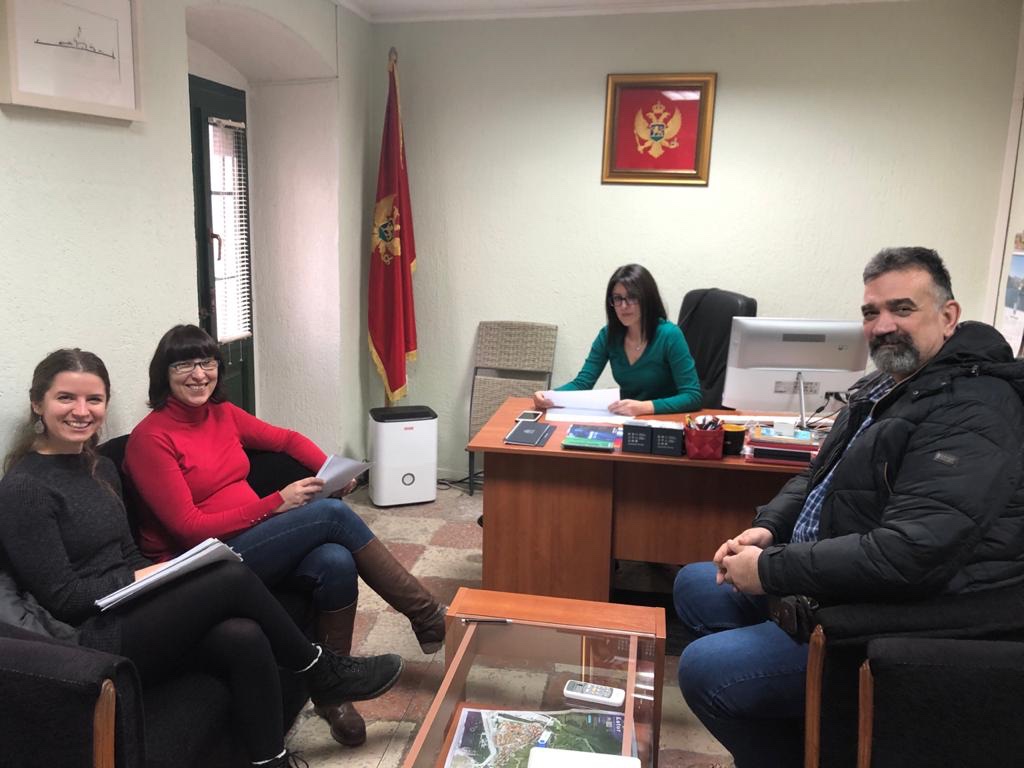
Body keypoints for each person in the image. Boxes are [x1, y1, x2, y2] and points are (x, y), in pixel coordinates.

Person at [673, 247, 1024, 768]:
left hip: (891, 613)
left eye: (902, 309)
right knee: (695, 585)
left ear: (948, 316)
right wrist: (769, 528)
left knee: (706, 670)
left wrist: (770, 570)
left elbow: (909, 553)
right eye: (870, 312)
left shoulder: (973, 407)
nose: (883, 326)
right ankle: (801, 719)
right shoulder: (886, 384)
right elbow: (818, 475)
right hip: (830, 579)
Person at [0, 349, 405, 768]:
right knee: (229, 573)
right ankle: (321, 669)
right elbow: (64, 599)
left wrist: (156, 576)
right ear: (38, 403)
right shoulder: (24, 489)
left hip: (132, 605)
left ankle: (272, 760)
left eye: (94, 400)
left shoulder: (99, 468)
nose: (82, 411)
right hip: (88, 636)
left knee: (244, 635)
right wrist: (144, 576)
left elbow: (126, 552)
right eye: (66, 398)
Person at [123, 324, 444, 748]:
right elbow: (189, 527)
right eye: (184, 365)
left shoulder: (222, 414)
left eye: (207, 362)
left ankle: (333, 697)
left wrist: (328, 473)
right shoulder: (151, 439)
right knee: (331, 515)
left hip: (248, 541)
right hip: (202, 565)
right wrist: (275, 503)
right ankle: (427, 615)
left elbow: (287, 439)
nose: (199, 374)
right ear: (163, 373)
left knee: (335, 560)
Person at [533, 263, 702, 417]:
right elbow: (582, 383)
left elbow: (692, 396)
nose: (624, 306)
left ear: (647, 299)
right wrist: (549, 396)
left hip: (665, 420)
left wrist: (644, 407)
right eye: (618, 298)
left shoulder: (670, 335)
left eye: (632, 297)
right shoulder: (608, 335)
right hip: (626, 420)